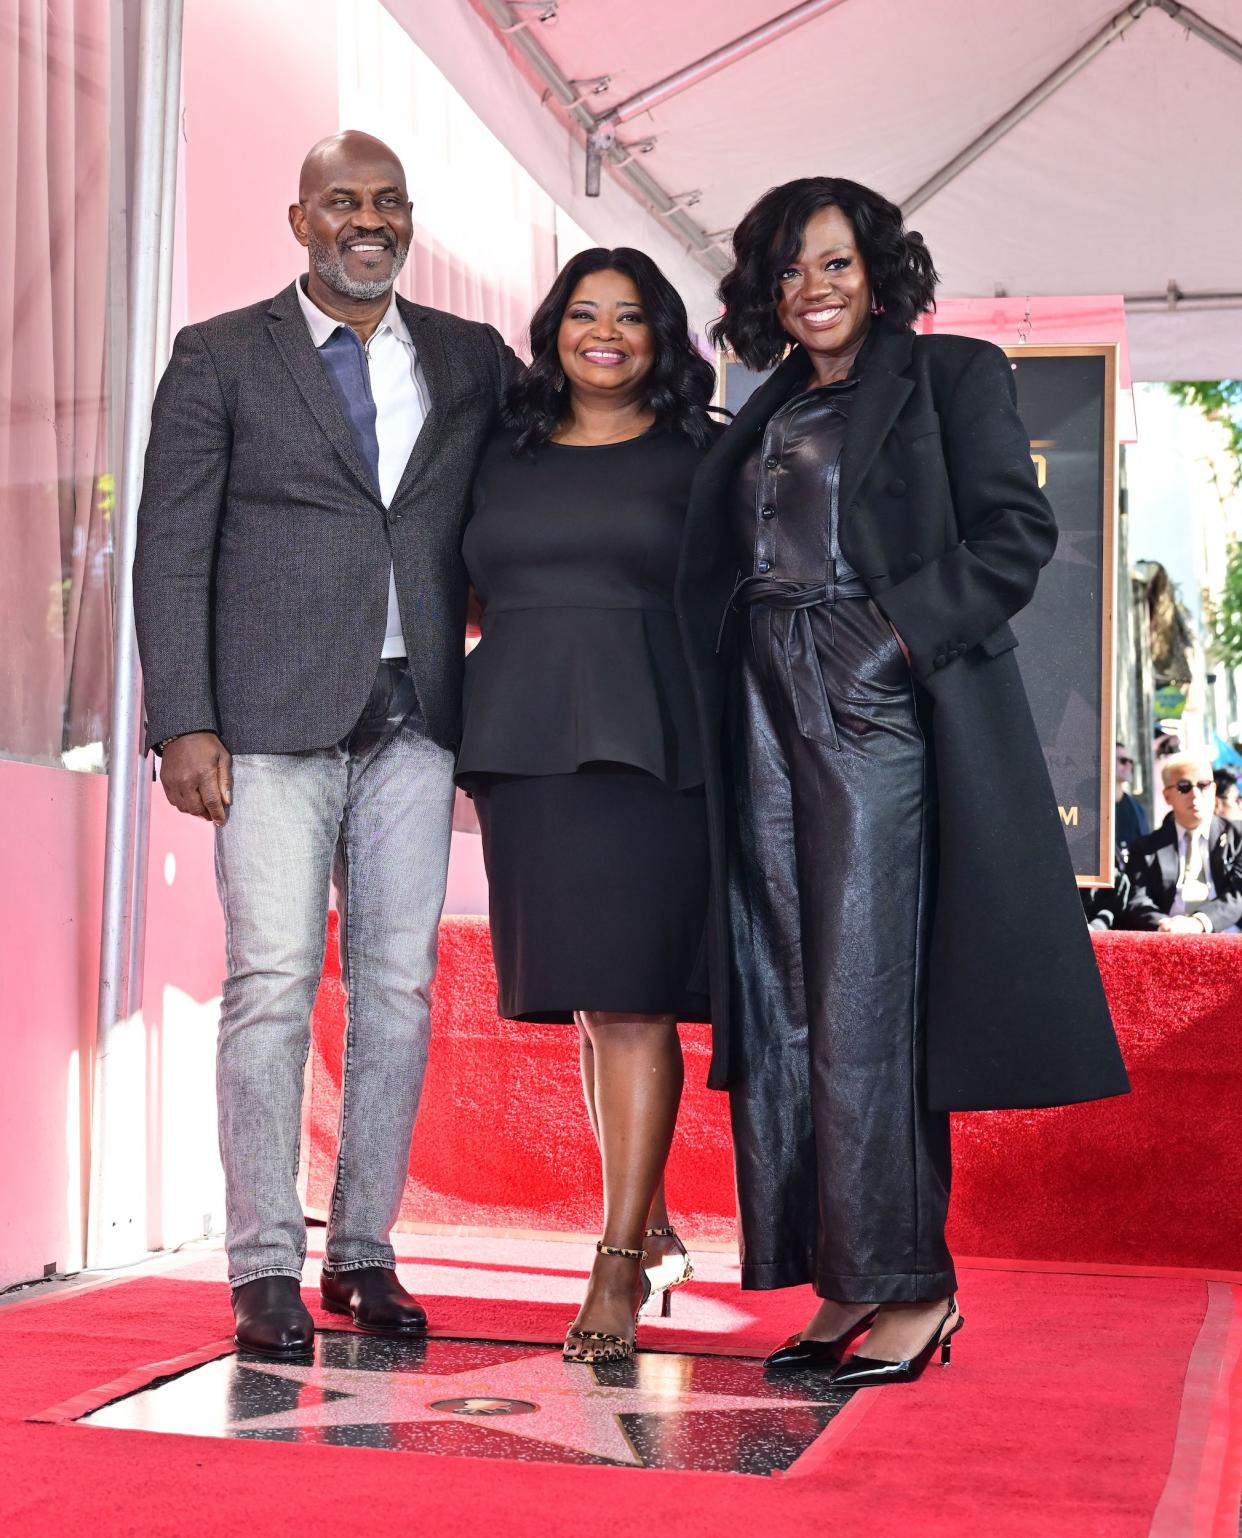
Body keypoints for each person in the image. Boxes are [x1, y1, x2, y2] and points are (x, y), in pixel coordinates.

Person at [677, 176, 1129, 1388]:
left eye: (833, 264)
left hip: (872, 690)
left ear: (878, 269)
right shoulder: (768, 402)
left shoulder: (952, 378)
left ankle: (914, 1284)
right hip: (760, 690)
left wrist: (886, 635)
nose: (811, 290)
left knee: (864, 985)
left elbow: (1014, 537)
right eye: (787, 271)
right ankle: (841, 1275)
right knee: (782, 982)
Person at [133, 131, 520, 1359]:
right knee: (272, 985)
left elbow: (556, 454)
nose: (370, 219)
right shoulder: (220, 356)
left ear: (411, 221)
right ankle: (262, 1267)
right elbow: (171, 548)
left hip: (418, 720)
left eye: (390, 201)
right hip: (269, 723)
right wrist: (182, 720)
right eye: (344, 201)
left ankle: (364, 1252)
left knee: (400, 993)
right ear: (300, 220)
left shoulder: (469, 360)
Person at [456, 248, 718, 1363]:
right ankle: (648, 1219)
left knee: (630, 997)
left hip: (652, 741)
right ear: (551, 326)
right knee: (584, 994)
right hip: (523, 738)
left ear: (661, 336)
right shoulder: (498, 448)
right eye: (581, 312)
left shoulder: (701, 452)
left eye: (629, 316)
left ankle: (617, 1262)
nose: (602, 333)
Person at [1119, 754, 1242, 932]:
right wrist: (1167, 926)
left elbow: (1238, 894)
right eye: (1184, 787)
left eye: (1203, 785)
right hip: (1168, 937)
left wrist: (1199, 922)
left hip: (1229, 937)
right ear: (1167, 796)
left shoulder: (1237, 837)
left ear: (1214, 789)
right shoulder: (1146, 848)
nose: (1195, 794)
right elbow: (1137, 900)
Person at [1115, 741, 1150, 849]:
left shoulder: (1137, 810)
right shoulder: (1091, 803)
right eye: (1123, 760)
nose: (1129, 765)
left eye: (1130, 761)